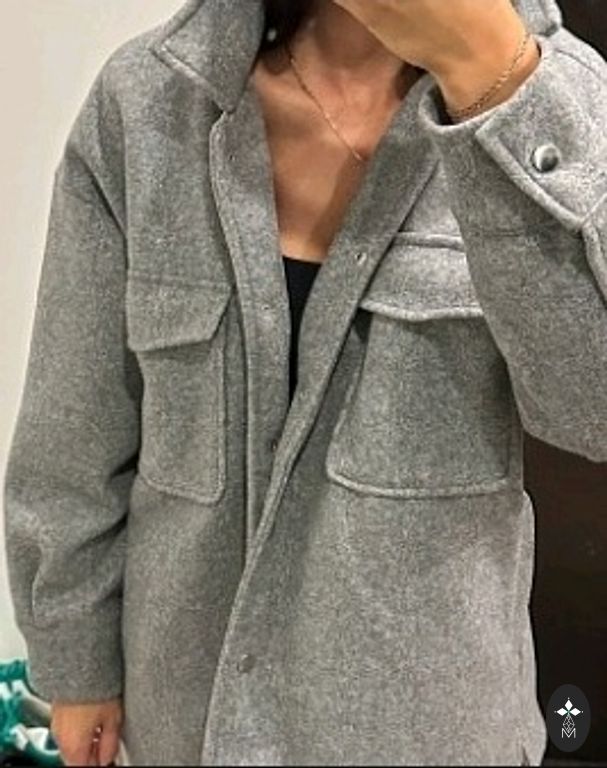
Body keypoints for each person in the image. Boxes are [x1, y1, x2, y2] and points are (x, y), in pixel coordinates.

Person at [4, 0, 607, 765]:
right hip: (185, 719)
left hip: (427, 728)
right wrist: (75, 657)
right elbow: (73, 430)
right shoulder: (149, 103)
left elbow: (590, 411)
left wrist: (491, 78)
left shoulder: (569, 110)